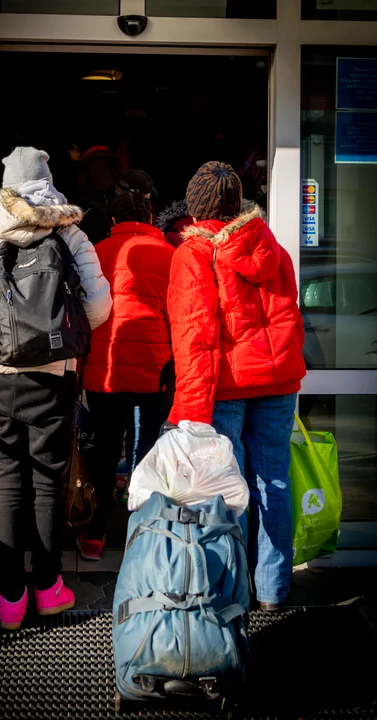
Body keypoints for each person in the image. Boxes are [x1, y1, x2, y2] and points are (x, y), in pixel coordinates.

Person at [0, 146, 112, 629]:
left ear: (6, 188)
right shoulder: (71, 234)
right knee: (47, 482)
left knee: (7, 484)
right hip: (52, 379)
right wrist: (60, 337)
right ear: (48, 182)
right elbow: (102, 306)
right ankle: (49, 588)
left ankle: (9, 600)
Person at [167, 161, 306, 611]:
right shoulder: (272, 246)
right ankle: (273, 590)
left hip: (224, 388)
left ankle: (235, 592)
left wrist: (186, 412)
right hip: (278, 380)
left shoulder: (192, 254)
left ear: (196, 207)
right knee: (273, 483)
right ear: (237, 205)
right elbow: (289, 314)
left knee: (228, 492)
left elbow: (195, 336)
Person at [79, 190, 175, 560]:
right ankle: (143, 537)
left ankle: (94, 535)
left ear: (114, 221)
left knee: (102, 455)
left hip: (105, 368)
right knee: (147, 453)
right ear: (151, 219)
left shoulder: (95, 252)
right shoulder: (169, 255)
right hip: (154, 369)